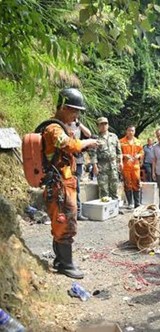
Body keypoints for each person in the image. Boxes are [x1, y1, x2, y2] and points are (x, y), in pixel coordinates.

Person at [43, 88, 97, 279]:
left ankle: (60, 261)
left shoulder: (61, 127)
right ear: (64, 107)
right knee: (66, 222)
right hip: (59, 184)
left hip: (65, 182)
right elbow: (70, 145)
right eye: (74, 111)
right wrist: (87, 142)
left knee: (63, 221)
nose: (76, 116)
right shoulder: (53, 129)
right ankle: (66, 264)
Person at [89, 117, 122, 200]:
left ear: (108, 125)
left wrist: (120, 162)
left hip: (113, 165)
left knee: (114, 186)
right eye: (101, 124)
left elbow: (119, 151)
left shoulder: (114, 136)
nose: (104, 126)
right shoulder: (96, 138)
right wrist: (95, 166)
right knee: (103, 189)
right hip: (102, 166)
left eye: (105, 124)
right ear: (98, 126)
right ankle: (106, 210)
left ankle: (115, 208)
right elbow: (93, 154)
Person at [69, 117, 92, 221]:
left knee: (77, 186)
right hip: (67, 160)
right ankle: (69, 212)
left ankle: (78, 212)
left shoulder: (78, 125)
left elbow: (88, 134)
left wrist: (79, 124)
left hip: (78, 160)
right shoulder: (62, 124)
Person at [120, 125, 143, 209]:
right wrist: (124, 155)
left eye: (132, 131)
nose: (131, 132)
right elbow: (117, 153)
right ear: (126, 131)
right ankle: (130, 203)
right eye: (129, 130)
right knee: (127, 184)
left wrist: (139, 155)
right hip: (126, 167)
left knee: (136, 183)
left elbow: (142, 152)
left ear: (134, 132)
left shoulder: (138, 142)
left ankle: (137, 203)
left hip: (135, 166)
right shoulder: (121, 142)